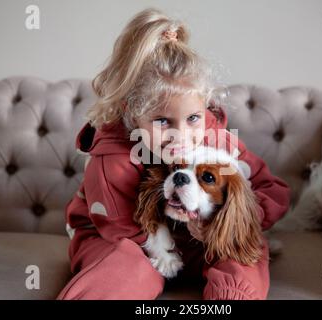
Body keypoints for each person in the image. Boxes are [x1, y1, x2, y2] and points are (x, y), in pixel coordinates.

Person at [57, 7, 291, 300]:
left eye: (193, 118)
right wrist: (162, 250)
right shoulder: (112, 160)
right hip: (125, 239)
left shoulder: (219, 143)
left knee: (244, 253)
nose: (181, 135)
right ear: (133, 115)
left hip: (201, 239)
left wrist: (232, 225)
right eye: (162, 121)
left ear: (204, 109)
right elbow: (118, 226)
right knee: (127, 264)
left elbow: (273, 189)